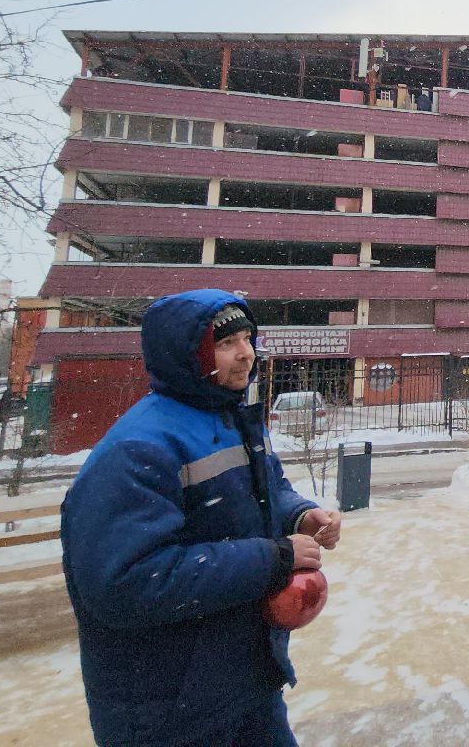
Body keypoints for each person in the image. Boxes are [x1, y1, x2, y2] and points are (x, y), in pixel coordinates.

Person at [61, 290, 344, 747]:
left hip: (244, 679)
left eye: (248, 337)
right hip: (168, 708)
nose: (246, 353)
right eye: (226, 342)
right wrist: (274, 559)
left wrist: (300, 516)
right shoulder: (138, 449)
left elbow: (268, 490)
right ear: (187, 355)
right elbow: (125, 584)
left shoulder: (233, 418)